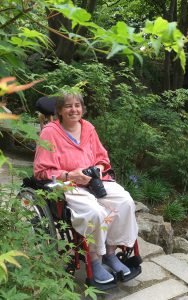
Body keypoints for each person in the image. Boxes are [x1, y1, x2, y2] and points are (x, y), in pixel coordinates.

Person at [34, 93, 138, 284]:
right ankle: (95, 259)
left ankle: (111, 252)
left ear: (82, 108)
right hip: (69, 184)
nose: (74, 110)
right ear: (59, 111)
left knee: (125, 202)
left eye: (77, 105)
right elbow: (41, 171)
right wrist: (70, 175)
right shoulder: (50, 132)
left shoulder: (88, 127)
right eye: (68, 106)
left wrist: (97, 169)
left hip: (95, 180)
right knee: (96, 212)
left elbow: (102, 158)